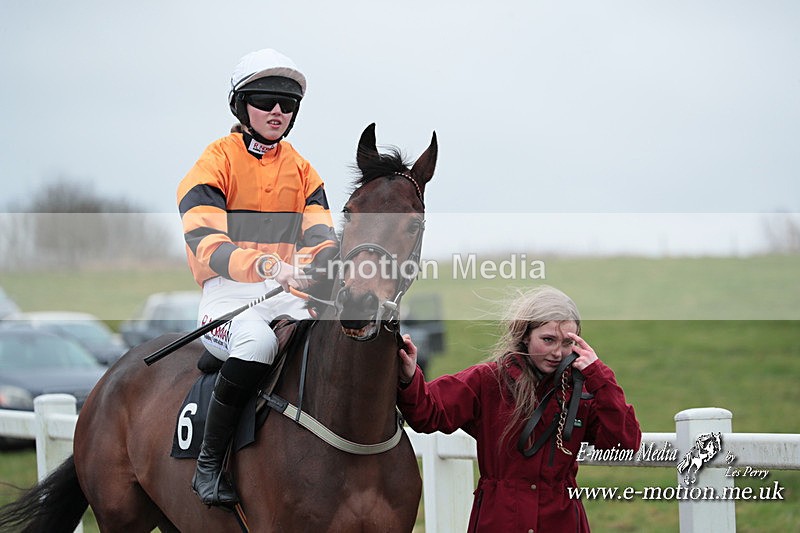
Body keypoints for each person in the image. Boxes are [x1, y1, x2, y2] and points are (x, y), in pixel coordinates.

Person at [177, 48, 338, 507]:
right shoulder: (213, 163)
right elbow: (206, 242)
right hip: (226, 296)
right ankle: (209, 464)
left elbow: (321, 236)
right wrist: (268, 266)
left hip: (285, 292)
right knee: (258, 344)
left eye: (287, 103)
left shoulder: (304, 170)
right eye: (266, 99)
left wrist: (326, 266)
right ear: (241, 105)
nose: (277, 111)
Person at [397, 285, 641, 532]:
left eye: (567, 342)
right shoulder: (488, 381)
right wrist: (410, 376)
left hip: (561, 521)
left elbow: (623, 444)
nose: (557, 352)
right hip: (500, 520)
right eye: (548, 339)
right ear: (525, 335)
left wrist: (600, 375)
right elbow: (428, 413)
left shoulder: (583, 391)